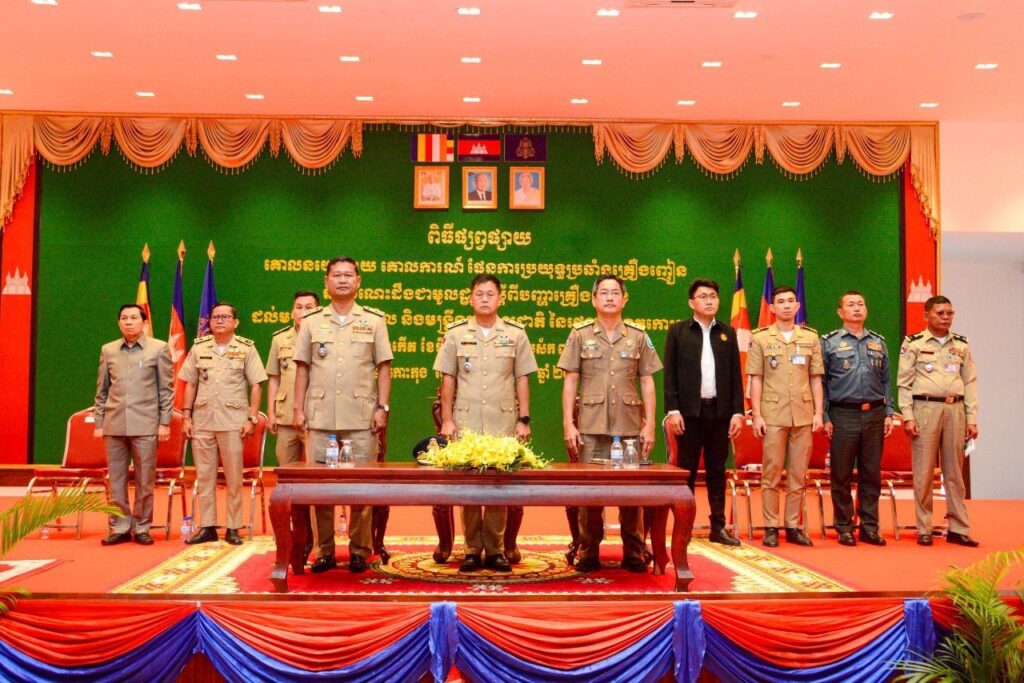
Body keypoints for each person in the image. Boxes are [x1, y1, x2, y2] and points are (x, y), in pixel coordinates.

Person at [293, 256, 393, 573]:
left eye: (348, 275)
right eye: (336, 275)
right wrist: (298, 408)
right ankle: (324, 551)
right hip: (321, 417)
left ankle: (360, 550)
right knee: (320, 488)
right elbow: (302, 368)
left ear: (358, 281)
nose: (342, 280)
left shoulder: (374, 320)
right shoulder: (311, 321)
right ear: (326, 282)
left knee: (361, 487)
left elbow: (384, 367)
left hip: (361, 418)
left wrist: (382, 407)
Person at [558, 273, 662, 573]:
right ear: (594, 299)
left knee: (632, 493)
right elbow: (570, 380)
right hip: (590, 426)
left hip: (629, 426)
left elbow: (647, 381)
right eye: (603, 292)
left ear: (624, 299)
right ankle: (588, 550)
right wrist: (568, 423)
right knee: (589, 493)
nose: (609, 297)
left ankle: (634, 550)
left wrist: (650, 424)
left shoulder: (638, 336)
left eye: (615, 292)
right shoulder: (580, 334)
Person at [434, 274, 538, 573]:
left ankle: (494, 549)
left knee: (497, 485)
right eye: (479, 294)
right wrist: (448, 419)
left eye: (490, 294)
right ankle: (471, 549)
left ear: (500, 299)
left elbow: (522, 378)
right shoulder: (455, 333)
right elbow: (448, 379)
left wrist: (523, 419)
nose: (484, 299)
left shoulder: (516, 334)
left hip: (501, 419)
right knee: (468, 486)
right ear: (470, 299)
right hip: (465, 418)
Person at [663, 279, 744, 547]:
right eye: (703, 297)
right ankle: (683, 526)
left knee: (717, 471)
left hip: (719, 414)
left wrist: (737, 412)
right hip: (688, 414)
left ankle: (718, 526)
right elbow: (670, 375)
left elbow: (735, 376)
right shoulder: (678, 332)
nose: (709, 301)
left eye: (713, 296)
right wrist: (673, 410)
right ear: (692, 303)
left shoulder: (727, 333)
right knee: (685, 472)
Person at [180, 302, 267, 545]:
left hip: (233, 421)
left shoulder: (246, 348)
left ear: (235, 322)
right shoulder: (199, 347)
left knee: (233, 478)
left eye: (225, 317)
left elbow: (256, 385)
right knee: (204, 476)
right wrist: (186, 416)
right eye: (216, 317)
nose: (220, 320)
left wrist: (252, 417)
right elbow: (191, 383)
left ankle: (233, 527)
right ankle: (207, 526)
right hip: (203, 420)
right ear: (210, 322)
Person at [897, 295, 979, 547]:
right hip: (925, 409)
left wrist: (972, 418)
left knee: (954, 473)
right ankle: (924, 527)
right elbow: (903, 383)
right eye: (940, 313)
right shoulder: (913, 343)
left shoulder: (962, 344)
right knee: (923, 472)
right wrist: (907, 415)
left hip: (955, 410)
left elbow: (970, 382)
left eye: (949, 313)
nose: (945, 317)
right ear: (926, 316)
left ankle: (958, 528)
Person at [747, 285, 823, 548]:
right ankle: (770, 526)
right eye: (781, 301)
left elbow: (815, 378)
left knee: (798, 474)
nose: (787, 305)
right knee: (771, 473)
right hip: (772, 414)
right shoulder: (760, 338)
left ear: (798, 306)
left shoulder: (810, 337)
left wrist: (819, 412)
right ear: (772, 308)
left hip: (803, 414)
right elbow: (756, 379)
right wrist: (757, 415)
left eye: (791, 301)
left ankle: (792, 526)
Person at [93, 304, 174, 546]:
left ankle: (141, 526)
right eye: (124, 318)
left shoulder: (159, 348)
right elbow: (102, 390)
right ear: (119, 323)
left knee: (144, 479)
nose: (129, 322)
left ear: (144, 322)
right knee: (116, 480)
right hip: (114, 423)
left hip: (145, 423)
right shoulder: (108, 350)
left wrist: (165, 422)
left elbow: (166, 389)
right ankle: (119, 526)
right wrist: (99, 422)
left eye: (134, 318)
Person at [820, 291, 893, 547]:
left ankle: (869, 527)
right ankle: (844, 526)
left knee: (871, 474)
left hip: (874, 413)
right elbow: (821, 383)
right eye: (851, 305)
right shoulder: (829, 342)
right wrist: (825, 416)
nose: (857, 308)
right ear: (841, 312)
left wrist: (889, 411)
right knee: (841, 474)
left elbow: (886, 381)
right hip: (843, 414)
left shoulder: (878, 342)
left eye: (861, 304)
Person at [266, 291, 321, 465]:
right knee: (286, 470)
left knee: (318, 470)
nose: (303, 312)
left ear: (318, 311)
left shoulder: (326, 338)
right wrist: (271, 414)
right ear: (292, 311)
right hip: (287, 417)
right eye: (298, 307)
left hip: (317, 419)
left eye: (308, 307)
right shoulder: (280, 339)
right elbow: (274, 379)